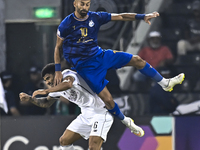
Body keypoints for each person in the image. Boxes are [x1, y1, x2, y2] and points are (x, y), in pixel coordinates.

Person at [54, 0, 185, 124]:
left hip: (100, 56)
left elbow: (121, 16)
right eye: (82, 4)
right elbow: (58, 47)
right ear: (75, 3)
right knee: (108, 100)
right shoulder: (66, 24)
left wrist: (142, 17)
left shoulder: (95, 17)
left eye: (87, 4)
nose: (85, 7)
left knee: (137, 60)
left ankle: (164, 82)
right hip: (85, 66)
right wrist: (58, 70)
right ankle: (124, 122)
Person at [19, 63, 144, 150]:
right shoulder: (55, 89)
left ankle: (128, 122)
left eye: (48, 78)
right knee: (64, 141)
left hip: (101, 113)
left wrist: (45, 91)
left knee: (93, 146)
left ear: (56, 74)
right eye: (45, 81)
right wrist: (30, 99)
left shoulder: (68, 74)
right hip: (85, 116)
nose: (47, 83)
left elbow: (68, 84)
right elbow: (46, 102)